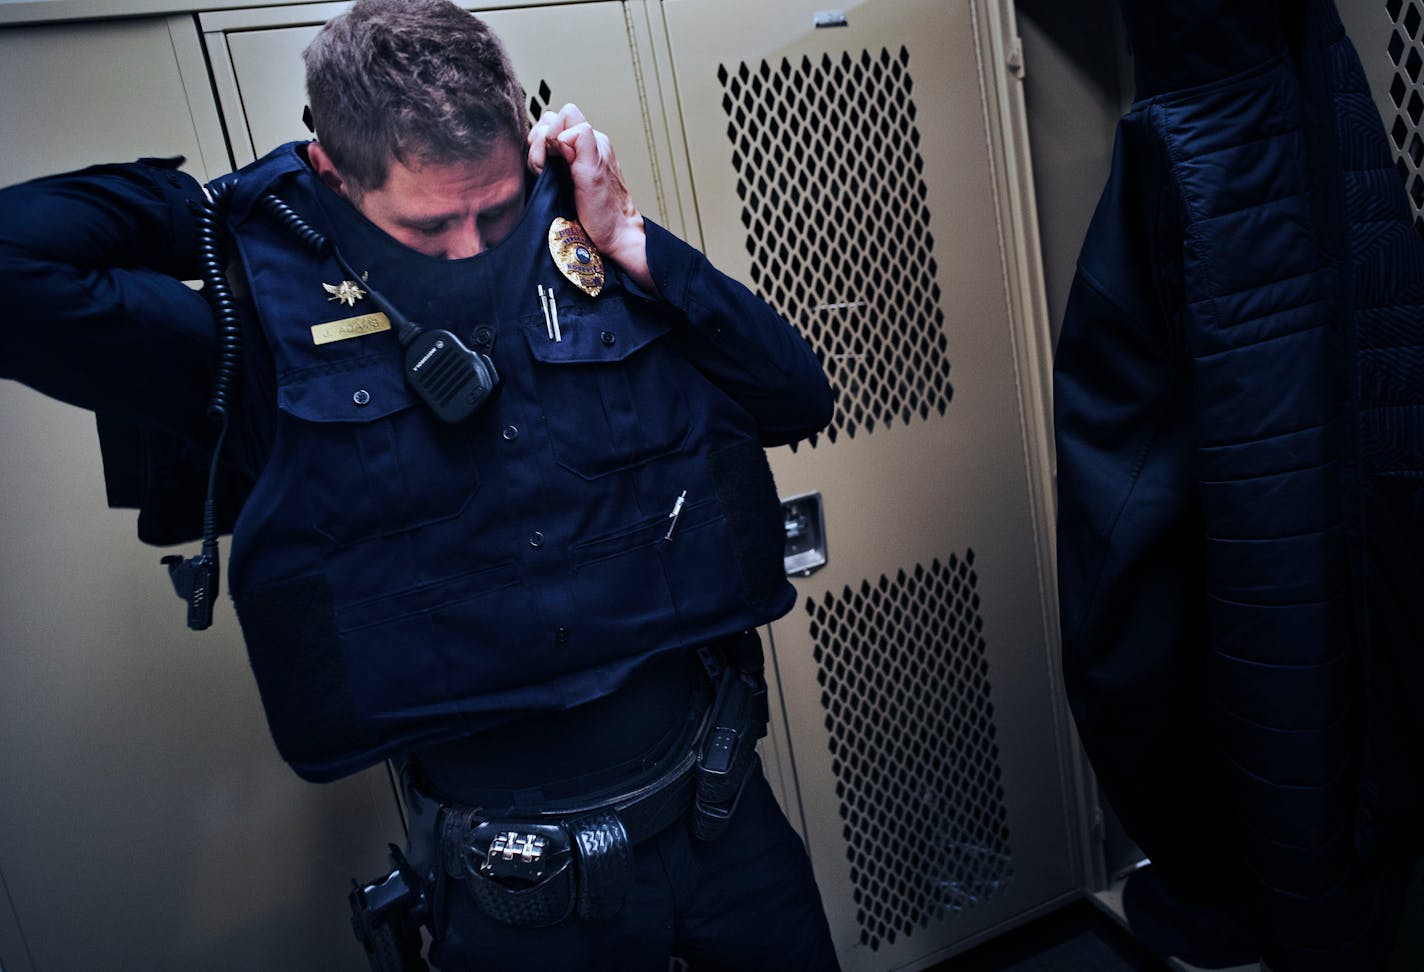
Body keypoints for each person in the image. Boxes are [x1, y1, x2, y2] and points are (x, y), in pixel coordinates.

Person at [0, 0, 839, 968]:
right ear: (333, 176)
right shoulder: (265, 335)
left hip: (720, 816)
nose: (475, 251)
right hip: (522, 891)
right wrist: (205, 210)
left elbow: (796, 395)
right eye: (432, 225)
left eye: (495, 208)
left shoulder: (578, 240)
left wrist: (635, 239)